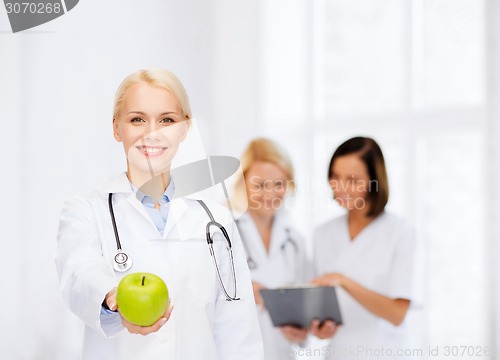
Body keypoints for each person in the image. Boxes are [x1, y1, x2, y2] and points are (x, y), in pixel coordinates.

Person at [55, 68, 264, 360]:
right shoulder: (85, 211)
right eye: (137, 119)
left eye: (167, 119)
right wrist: (114, 298)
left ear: (184, 129)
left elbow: (237, 330)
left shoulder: (216, 220)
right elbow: (79, 275)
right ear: (117, 128)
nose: (152, 133)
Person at [311, 136, 421, 360]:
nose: (340, 187)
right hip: (338, 353)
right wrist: (320, 329)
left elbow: (397, 314)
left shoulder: (400, 232)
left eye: (352, 179)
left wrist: (344, 281)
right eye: (335, 176)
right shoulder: (323, 233)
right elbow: (322, 307)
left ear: (374, 181)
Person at [233, 138, 335, 359]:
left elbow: (306, 309)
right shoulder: (225, 235)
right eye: (260, 185)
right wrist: (244, 291)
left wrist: (301, 331)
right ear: (243, 183)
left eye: (278, 184)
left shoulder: (295, 242)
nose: (270, 194)